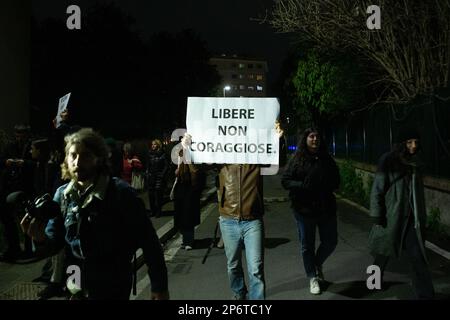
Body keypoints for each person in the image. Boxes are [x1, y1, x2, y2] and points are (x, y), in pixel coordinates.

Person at [21, 128, 169, 300]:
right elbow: (54, 243)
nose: (77, 162)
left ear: (98, 159)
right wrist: (39, 238)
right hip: (74, 276)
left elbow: (150, 243)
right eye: (73, 155)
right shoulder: (63, 195)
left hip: (112, 281)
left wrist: (159, 287)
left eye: (85, 156)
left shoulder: (121, 193)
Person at [180, 122, 282, 300]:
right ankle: (239, 295)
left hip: (253, 220)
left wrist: (278, 141)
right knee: (233, 266)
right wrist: (188, 149)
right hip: (228, 220)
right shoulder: (221, 155)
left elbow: (278, 160)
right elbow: (197, 169)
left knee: (256, 268)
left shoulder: (256, 154)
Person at [368, 127, 435, 299]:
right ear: (401, 144)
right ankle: (373, 281)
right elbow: (377, 188)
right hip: (391, 216)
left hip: (412, 220)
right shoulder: (388, 160)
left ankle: (425, 294)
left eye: (416, 142)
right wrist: (377, 214)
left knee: (418, 256)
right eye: (409, 142)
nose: (413, 146)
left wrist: (422, 217)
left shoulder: (416, 162)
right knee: (382, 253)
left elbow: (417, 193)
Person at [281, 128, 340, 295]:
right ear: (305, 139)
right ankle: (312, 277)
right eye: (311, 136)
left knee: (331, 241)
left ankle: (316, 264)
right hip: (303, 209)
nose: (315, 139)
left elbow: (336, 180)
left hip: (325, 207)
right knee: (307, 245)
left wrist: (328, 184)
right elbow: (285, 181)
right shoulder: (297, 159)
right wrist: (302, 185)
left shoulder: (326, 159)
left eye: (317, 136)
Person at [173, 150, 205, 250]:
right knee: (182, 217)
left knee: (188, 217)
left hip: (190, 191)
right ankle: (185, 241)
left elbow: (196, 175)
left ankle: (189, 241)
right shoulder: (180, 161)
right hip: (181, 191)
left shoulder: (193, 163)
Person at [146, 139, 168, 218]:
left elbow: (166, 165)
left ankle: (158, 211)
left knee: (158, 195)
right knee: (151, 195)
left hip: (159, 177)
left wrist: (162, 174)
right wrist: (148, 173)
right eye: (152, 144)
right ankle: (153, 211)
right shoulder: (150, 154)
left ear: (158, 145)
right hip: (151, 177)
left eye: (154, 144)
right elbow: (148, 165)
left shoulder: (162, 154)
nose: (153, 146)